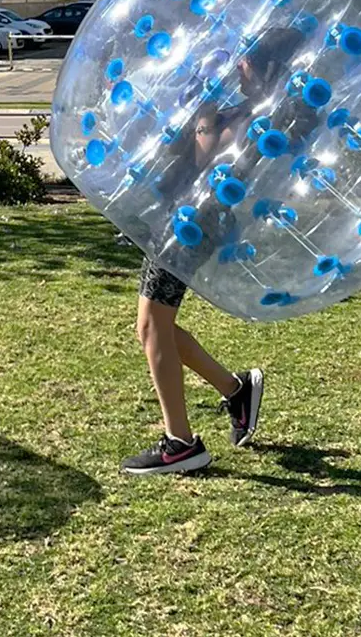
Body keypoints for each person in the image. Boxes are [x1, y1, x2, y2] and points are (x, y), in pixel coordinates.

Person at [117, 29, 314, 476]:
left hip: (192, 226)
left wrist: (203, 108)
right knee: (151, 328)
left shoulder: (263, 118)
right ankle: (236, 390)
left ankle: (181, 444)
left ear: (264, 68)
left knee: (151, 327)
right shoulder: (255, 109)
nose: (237, 65)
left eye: (246, 60)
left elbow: (209, 158)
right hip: (187, 221)